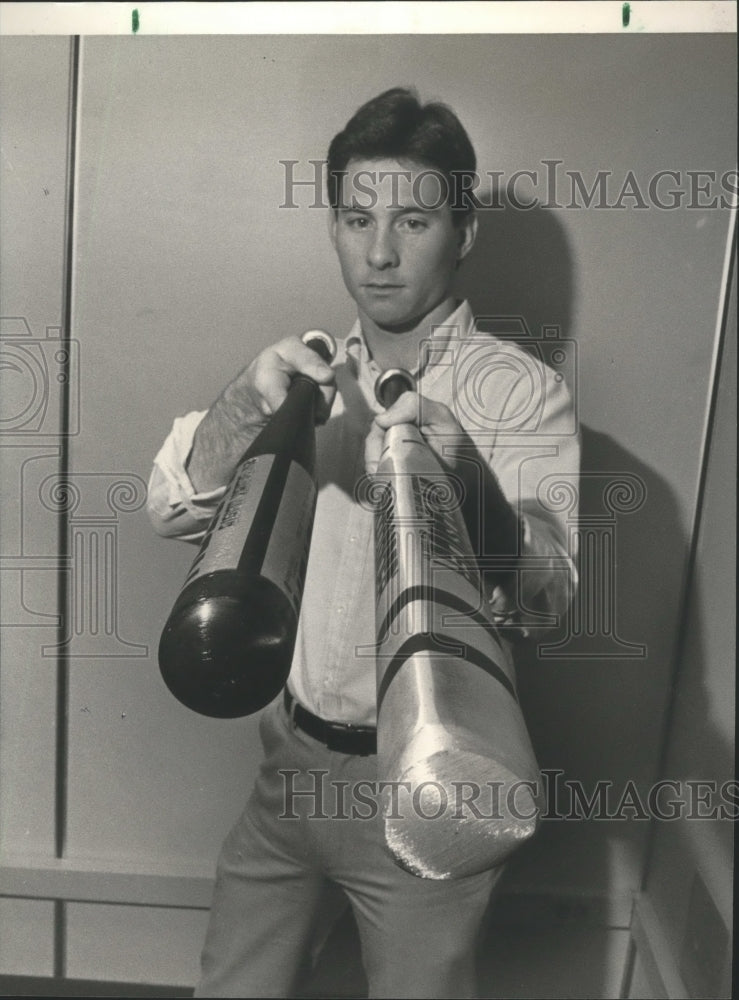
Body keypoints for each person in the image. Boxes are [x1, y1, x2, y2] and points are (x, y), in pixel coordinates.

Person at [147, 87, 579, 999]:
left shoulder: (522, 393)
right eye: (355, 218)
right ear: (334, 224)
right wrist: (241, 405)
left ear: (461, 234)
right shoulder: (302, 373)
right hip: (290, 771)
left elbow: (549, 601)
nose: (378, 253)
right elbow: (175, 512)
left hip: (427, 780)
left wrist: (464, 481)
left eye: (413, 220)